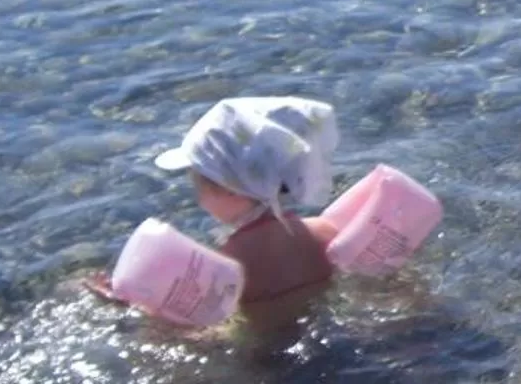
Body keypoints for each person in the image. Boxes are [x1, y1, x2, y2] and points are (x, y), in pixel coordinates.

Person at [99, 97, 344, 350]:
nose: (199, 199)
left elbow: (207, 330)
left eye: (199, 187)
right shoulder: (324, 232)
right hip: (325, 340)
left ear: (229, 190)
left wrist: (135, 308)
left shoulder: (228, 265)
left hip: (263, 363)